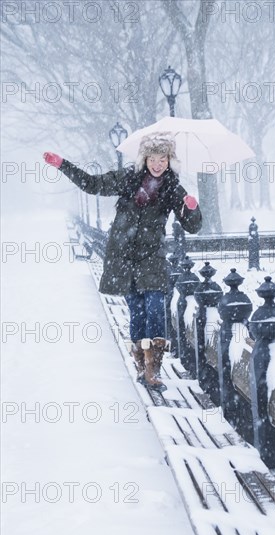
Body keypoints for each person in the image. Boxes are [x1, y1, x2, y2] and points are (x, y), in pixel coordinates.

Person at [43, 132, 202, 391]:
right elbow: (92, 184)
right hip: (123, 258)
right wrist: (63, 164)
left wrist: (192, 208)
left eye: (163, 159)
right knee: (137, 314)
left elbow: (192, 226)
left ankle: (153, 369)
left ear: (169, 160)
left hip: (151, 259)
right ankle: (141, 364)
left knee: (155, 308)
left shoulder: (173, 187)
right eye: (153, 158)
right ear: (145, 158)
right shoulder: (128, 179)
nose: (158, 164)